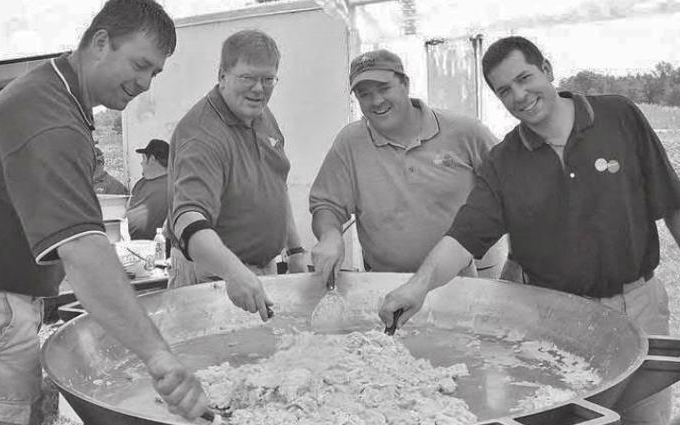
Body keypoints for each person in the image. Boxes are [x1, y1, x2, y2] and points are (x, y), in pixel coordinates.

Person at [378, 36, 680, 425]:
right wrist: (417, 287)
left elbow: (673, 200)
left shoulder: (618, 116)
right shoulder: (504, 162)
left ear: (548, 70)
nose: (519, 96)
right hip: (559, 325)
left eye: (524, 78)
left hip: (637, 304)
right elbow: (464, 237)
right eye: (504, 90)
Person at [0, 0, 209, 425]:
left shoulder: (57, 96)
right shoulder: (49, 118)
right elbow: (84, 252)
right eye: (140, 65)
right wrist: (159, 357)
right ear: (101, 41)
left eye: (155, 74)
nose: (145, 84)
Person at [309, 49, 499, 282]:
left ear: (405, 84)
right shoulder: (350, 142)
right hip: (384, 283)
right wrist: (329, 236)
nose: (376, 101)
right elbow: (327, 204)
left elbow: (511, 187)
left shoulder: (466, 132)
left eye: (384, 89)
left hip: (457, 281)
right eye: (364, 94)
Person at [166, 29, 306, 320]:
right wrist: (233, 271)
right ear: (222, 76)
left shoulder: (263, 116)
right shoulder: (202, 136)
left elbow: (277, 185)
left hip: (260, 269)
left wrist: (295, 252)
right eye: (247, 78)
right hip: (214, 276)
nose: (259, 89)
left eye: (268, 79)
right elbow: (188, 220)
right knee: (219, 363)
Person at [126, 138, 169, 240]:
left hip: (160, 248)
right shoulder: (140, 184)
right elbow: (127, 209)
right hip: (132, 246)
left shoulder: (174, 185)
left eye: (144, 159)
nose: (141, 163)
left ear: (153, 159)